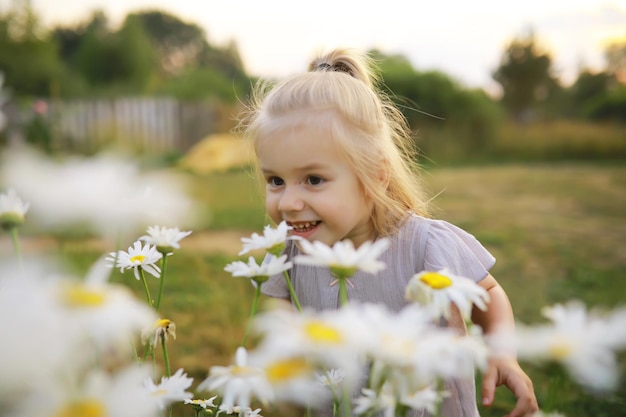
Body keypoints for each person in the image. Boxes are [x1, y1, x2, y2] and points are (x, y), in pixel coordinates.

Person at [239, 48, 538, 417]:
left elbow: (488, 294)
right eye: (276, 180)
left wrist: (502, 352)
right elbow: (282, 337)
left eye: (313, 180)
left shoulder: (425, 246)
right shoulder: (289, 257)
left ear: (376, 174)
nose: (288, 202)